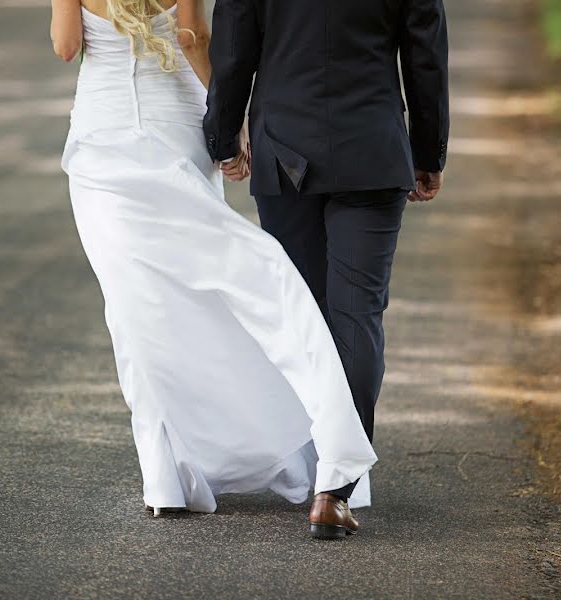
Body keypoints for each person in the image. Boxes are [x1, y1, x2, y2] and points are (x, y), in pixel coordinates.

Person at [51, 0, 377, 540]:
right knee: (227, 279)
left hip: (103, 142)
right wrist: (230, 126)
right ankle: (318, 440)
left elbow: (66, 47)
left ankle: (167, 482)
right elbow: (194, 38)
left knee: (133, 308)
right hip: (177, 127)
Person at [203, 0, 449, 536]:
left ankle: (321, 468)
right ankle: (335, 489)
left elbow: (233, 42)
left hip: (286, 150)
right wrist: (429, 152)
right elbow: (424, 54)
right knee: (357, 313)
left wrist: (223, 136)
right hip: (372, 149)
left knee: (305, 319)